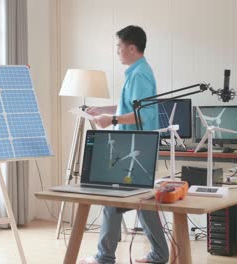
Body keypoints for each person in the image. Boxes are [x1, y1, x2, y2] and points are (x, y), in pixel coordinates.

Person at [80, 25, 169, 264]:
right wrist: (105, 110)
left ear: (131, 47)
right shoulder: (136, 72)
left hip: (134, 146)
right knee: (141, 202)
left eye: (119, 46)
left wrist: (112, 120)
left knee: (113, 199)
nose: (117, 51)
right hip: (132, 144)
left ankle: (105, 257)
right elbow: (131, 107)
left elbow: (145, 115)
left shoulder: (139, 74)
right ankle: (159, 255)